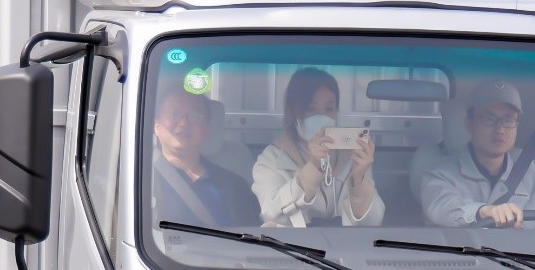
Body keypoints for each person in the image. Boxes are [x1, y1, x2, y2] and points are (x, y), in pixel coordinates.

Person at [421, 79, 535, 229]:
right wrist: (484, 211)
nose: (500, 130)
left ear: (516, 126)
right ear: (469, 124)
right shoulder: (439, 175)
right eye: (489, 119)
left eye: (508, 120)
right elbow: (441, 207)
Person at [251, 67, 383, 227]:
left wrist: (359, 180)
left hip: (347, 249)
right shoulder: (271, 159)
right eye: (311, 109)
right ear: (293, 112)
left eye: (329, 108)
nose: (322, 116)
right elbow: (273, 214)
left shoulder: (353, 156)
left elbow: (373, 222)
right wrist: (313, 168)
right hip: (291, 249)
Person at [151, 89, 262, 228]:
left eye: (195, 116)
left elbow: (252, 239)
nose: (183, 122)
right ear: (156, 125)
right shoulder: (141, 180)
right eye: (175, 114)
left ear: (207, 129)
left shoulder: (235, 185)